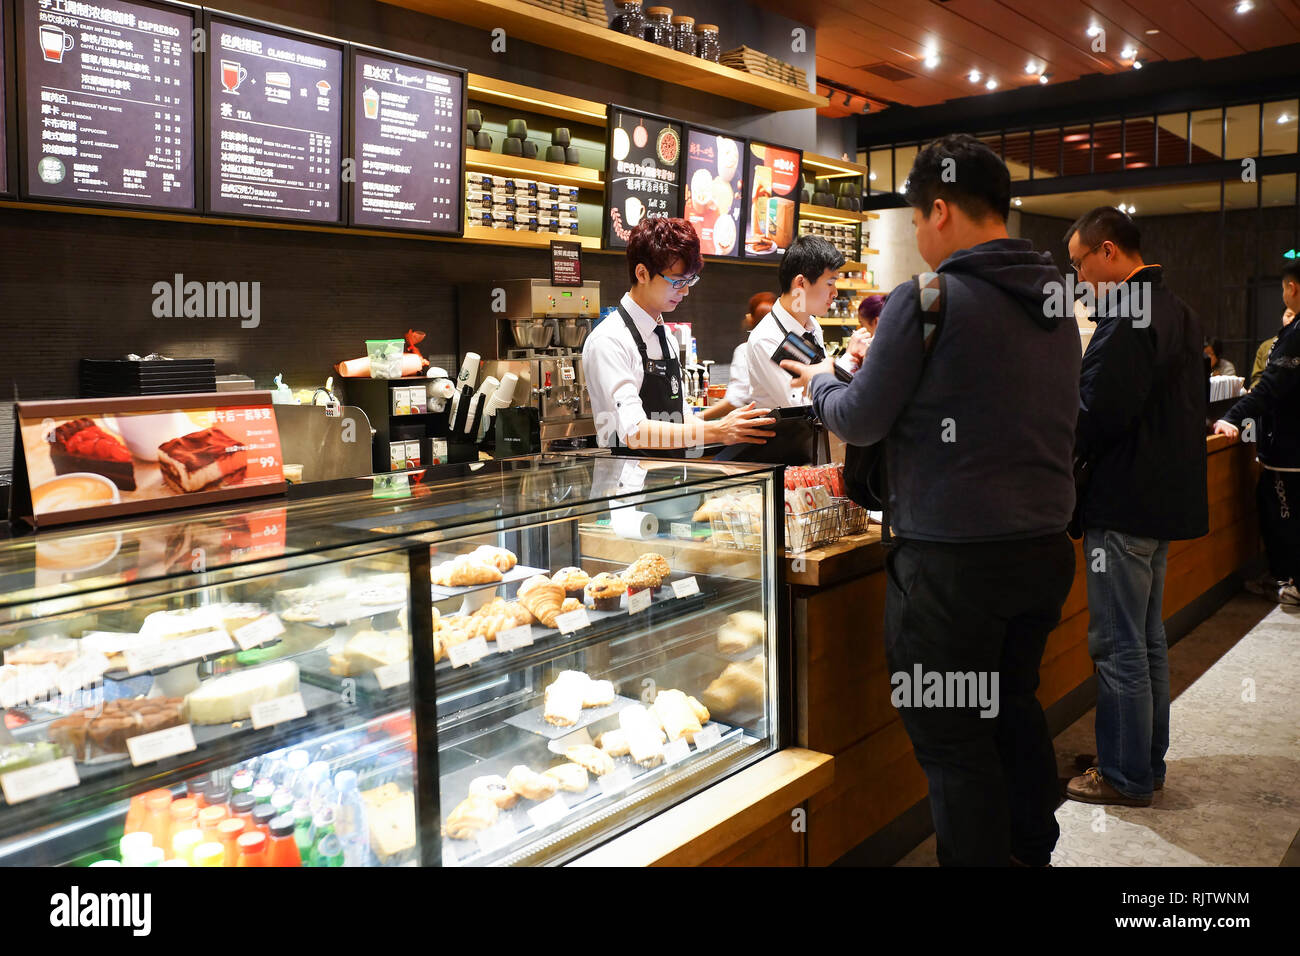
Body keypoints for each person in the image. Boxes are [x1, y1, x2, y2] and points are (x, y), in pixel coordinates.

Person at [782, 134, 1080, 867]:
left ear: (940, 209)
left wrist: (819, 381)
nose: (917, 237)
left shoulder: (932, 298)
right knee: (1012, 707)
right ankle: (1032, 854)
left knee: (952, 740)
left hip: (952, 567)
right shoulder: (1057, 302)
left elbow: (859, 418)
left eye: (916, 220)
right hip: (1043, 550)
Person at [1061, 207, 1208, 809]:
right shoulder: (1180, 309)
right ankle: (1145, 762)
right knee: (1146, 639)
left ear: (1111, 252)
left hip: (1123, 502)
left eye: (1080, 264)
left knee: (1118, 642)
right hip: (1160, 499)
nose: (1078, 278)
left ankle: (1122, 775)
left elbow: (1100, 414)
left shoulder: (1128, 314)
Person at [582, 217, 776, 454]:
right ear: (642, 273)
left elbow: (682, 417)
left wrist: (730, 430)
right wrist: (718, 431)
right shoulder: (610, 339)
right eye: (677, 281)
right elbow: (633, 432)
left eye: (690, 281)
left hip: (672, 481)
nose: (685, 291)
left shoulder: (667, 337)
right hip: (627, 486)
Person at [1215, 260, 1300, 606]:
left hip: (1291, 451)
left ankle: (1293, 581)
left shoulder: (1295, 337)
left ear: (1292, 288)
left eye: (1283, 289)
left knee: (1285, 516)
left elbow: (1269, 389)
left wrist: (1232, 416)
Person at [743, 235, 843, 410]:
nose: (835, 293)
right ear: (801, 283)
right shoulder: (767, 338)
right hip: (782, 436)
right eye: (829, 283)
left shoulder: (812, 326)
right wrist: (841, 365)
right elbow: (799, 403)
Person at [697, 291, 775, 421]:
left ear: (750, 318)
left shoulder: (746, 349)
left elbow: (736, 400)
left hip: (760, 427)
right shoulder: (787, 346)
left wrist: (697, 418)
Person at [1250, 308, 1295, 389]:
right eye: (1289, 315)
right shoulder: (1266, 346)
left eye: (1297, 316)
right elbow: (1257, 376)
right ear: (1282, 318)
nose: (1292, 319)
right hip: (1266, 393)